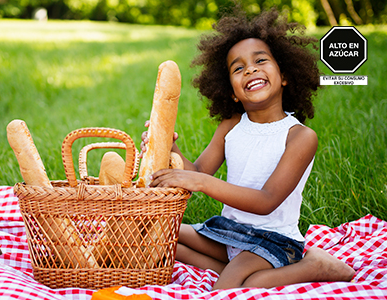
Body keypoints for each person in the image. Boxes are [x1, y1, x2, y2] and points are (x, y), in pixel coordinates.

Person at [141, 8, 355, 290]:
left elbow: (267, 200)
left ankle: (316, 265)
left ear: (285, 76)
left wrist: (202, 182)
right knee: (159, 236)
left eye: (260, 61)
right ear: (231, 90)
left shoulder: (300, 136)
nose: (250, 69)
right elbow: (199, 171)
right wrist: (171, 146)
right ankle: (240, 272)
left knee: (225, 290)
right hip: (229, 233)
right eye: (238, 68)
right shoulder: (231, 125)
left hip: (274, 240)